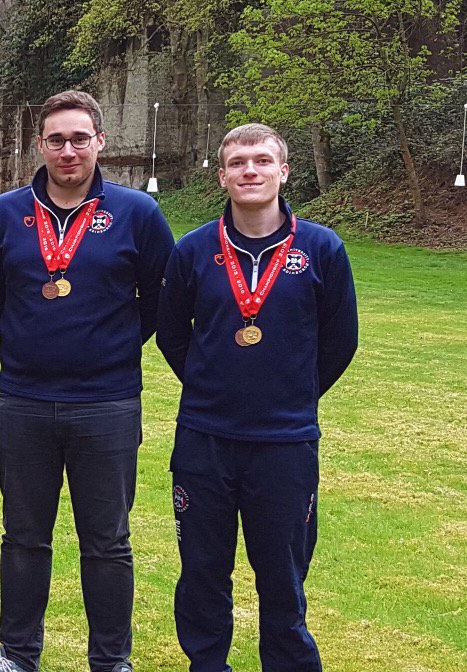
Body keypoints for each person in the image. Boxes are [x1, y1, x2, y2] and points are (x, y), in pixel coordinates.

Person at [0, 91, 172, 672]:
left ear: (100, 143)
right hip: (25, 399)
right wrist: (35, 338)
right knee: (24, 536)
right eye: (56, 139)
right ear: (40, 144)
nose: (68, 150)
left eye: (79, 138)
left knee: (107, 542)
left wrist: (108, 346)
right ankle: (17, 655)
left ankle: (111, 660)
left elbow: (161, 297)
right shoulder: (4, 214)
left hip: (107, 402)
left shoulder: (137, 213)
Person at [155, 123, 359, 672]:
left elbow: (342, 340)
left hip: (285, 443)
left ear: (283, 171)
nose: (251, 170)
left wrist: (292, 393)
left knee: (283, 578)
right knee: (201, 573)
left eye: (263, 161)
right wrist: (209, 384)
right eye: (239, 162)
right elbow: (173, 334)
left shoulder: (321, 249)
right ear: (222, 176)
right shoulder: (193, 250)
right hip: (205, 440)